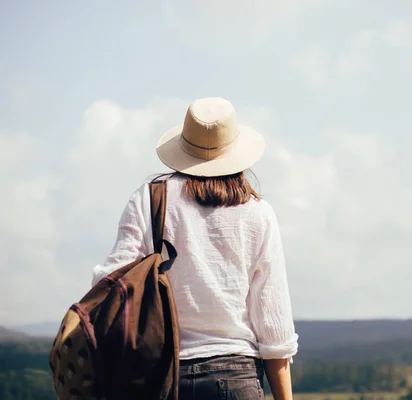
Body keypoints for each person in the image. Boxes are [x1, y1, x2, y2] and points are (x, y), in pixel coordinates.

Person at [91, 97, 298, 399]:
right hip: (237, 377)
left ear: (184, 147)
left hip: (161, 377)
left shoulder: (149, 199)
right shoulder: (258, 212)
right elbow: (273, 322)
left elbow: (109, 285)